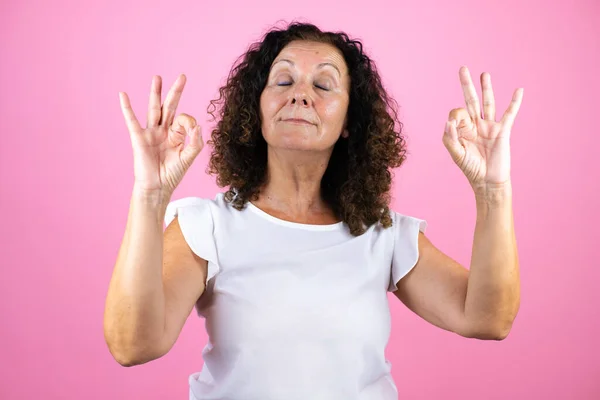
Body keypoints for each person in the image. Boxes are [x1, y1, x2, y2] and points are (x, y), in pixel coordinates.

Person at [104, 22, 523, 400]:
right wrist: (149, 195)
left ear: (347, 122)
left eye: (323, 86)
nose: (300, 94)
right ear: (258, 111)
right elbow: (132, 345)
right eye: (283, 79)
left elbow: (487, 318)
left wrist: (493, 190)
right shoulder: (207, 225)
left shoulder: (382, 233)